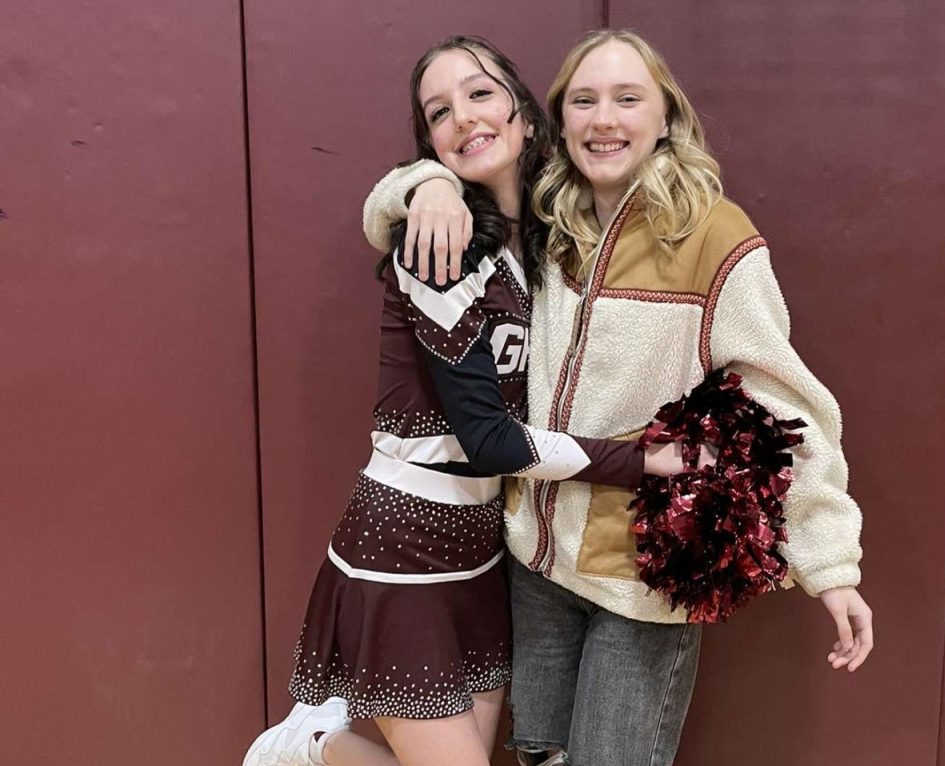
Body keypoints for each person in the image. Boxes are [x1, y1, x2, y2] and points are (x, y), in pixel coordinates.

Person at [362, 29, 874, 766]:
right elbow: (408, 193)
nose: (604, 118)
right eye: (585, 100)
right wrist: (425, 183)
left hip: (638, 576)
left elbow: (785, 405)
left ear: (665, 116)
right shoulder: (547, 223)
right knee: (540, 756)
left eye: (627, 98)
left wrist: (831, 568)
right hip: (535, 562)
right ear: (558, 122)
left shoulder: (712, 236)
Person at [242, 36, 695, 766]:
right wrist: (645, 463)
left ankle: (326, 749)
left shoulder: (547, 240)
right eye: (439, 112)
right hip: (401, 551)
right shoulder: (438, 248)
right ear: (431, 145)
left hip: (482, 554)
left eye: (480, 94)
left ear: (522, 114)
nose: (464, 117)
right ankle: (309, 747)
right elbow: (488, 438)